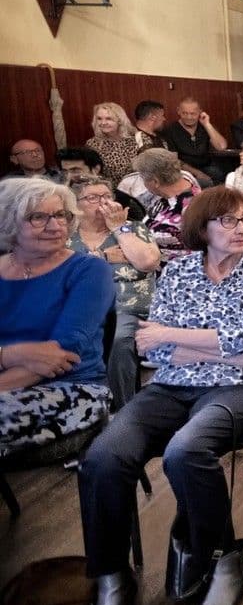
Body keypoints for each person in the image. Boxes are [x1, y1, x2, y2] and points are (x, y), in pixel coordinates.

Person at [76, 187, 243, 605]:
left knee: (186, 451)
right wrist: (226, 351)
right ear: (202, 229)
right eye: (227, 222)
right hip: (174, 385)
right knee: (104, 457)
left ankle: (220, 555)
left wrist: (179, 338)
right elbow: (152, 345)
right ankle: (112, 579)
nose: (240, 228)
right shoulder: (179, 270)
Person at [0, 178, 113, 455]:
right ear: (9, 222)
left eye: (60, 215)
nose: (55, 226)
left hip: (74, 389)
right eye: (38, 217)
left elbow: (62, 354)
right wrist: (11, 354)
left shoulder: (90, 270)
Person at [68, 176, 162, 408]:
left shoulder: (133, 228)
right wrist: (103, 257)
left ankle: (124, 410)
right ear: (75, 204)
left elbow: (149, 262)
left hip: (127, 309)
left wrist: (119, 227)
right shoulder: (66, 236)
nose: (103, 203)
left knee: (118, 339)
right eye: (92, 198)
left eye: (106, 196)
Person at [134, 148, 202, 261]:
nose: (144, 184)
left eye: (143, 179)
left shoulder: (192, 206)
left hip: (179, 269)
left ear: (155, 182)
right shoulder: (165, 198)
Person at [57, 147, 147, 220]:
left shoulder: (123, 201)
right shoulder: (60, 199)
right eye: (65, 171)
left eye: (75, 170)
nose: (69, 176)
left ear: (96, 169)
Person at [160, 98, 230, 186]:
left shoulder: (204, 126)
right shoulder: (170, 130)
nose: (189, 117)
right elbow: (173, 160)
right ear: (178, 111)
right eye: (185, 113)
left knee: (223, 176)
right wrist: (197, 173)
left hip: (207, 167)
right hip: (184, 171)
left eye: (193, 114)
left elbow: (222, 146)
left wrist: (207, 124)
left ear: (200, 112)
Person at [84, 102, 140, 184]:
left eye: (108, 119)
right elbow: (91, 174)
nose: (103, 123)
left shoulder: (138, 139)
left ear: (120, 120)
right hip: (109, 193)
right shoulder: (92, 144)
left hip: (138, 192)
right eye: (99, 118)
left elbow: (150, 168)